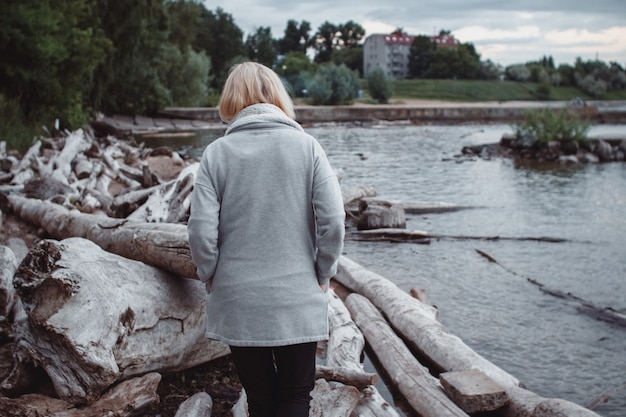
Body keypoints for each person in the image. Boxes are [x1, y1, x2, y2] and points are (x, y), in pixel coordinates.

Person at [187, 61, 345, 417]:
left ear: (231, 99)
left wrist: (209, 274)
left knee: (259, 397)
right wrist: (323, 272)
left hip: (238, 296)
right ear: (278, 96)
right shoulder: (308, 148)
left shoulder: (216, 154)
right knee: (295, 395)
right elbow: (334, 221)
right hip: (297, 294)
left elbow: (200, 230)